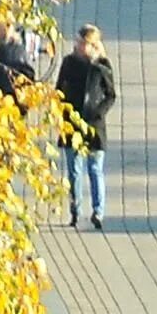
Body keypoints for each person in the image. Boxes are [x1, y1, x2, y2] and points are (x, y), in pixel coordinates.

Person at [53, 23, 117, 230]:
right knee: (74, 170)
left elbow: (110, 95)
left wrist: (98, 112)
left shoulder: (102, 66)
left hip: (94, 126)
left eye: (83, 43)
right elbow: (59, 89)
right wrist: (62, 112)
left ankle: (98, 211)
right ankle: (76, 210)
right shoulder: (69, 63)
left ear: (92, 45)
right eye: (78, 42)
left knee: (95, 169)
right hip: (72, 123)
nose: (79, 46)